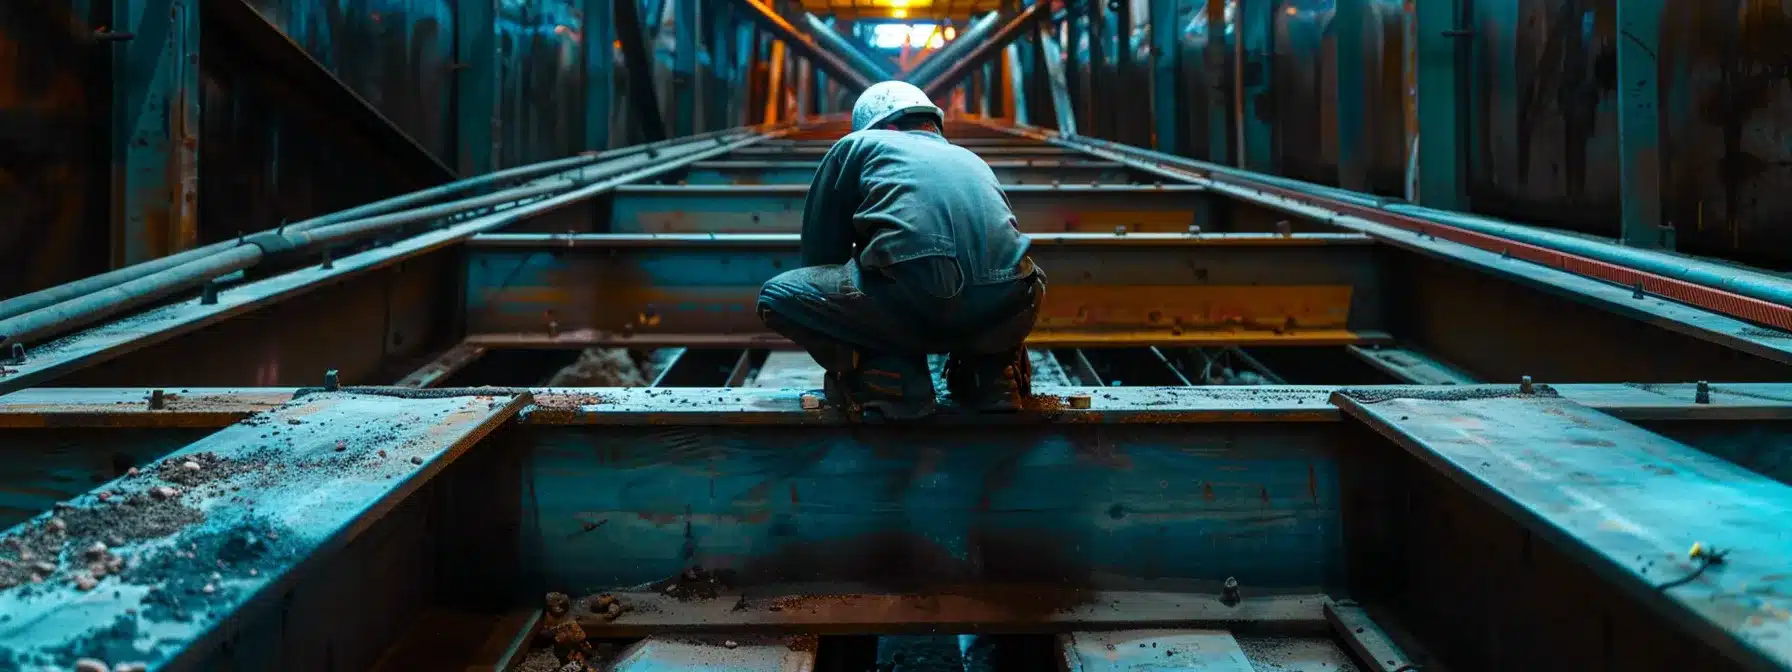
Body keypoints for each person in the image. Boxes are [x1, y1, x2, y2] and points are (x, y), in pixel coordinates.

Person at [756, 80, 1046, 422]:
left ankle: (891, 376)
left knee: (777, 296)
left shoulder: (856, 144)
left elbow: (822, 255)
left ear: (887, 127)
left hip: (920, 298)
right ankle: (991, 376)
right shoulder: (970, 157)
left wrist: (859, 330)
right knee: (1002, 282)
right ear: (932, 125)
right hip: (1018, 300)